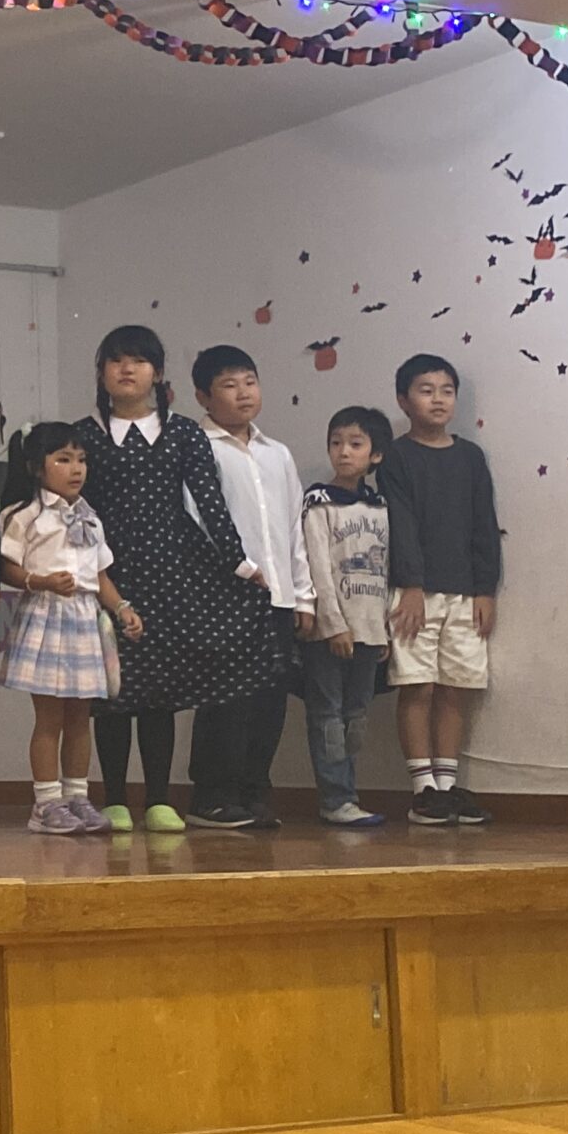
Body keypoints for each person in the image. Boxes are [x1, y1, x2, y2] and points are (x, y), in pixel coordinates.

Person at [76, 325, 278, 833]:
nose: (127, 369)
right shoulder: (84, 435)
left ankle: (160, 800)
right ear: (101, 372)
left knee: (159, 693)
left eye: (139, 361)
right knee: (112, 693)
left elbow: (210, 503)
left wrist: (240, 564)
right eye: (116, 360)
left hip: (172, 574)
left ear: (158, 373)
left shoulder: (185, 433)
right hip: (105, 575)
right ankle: (115, 799)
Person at [0, 422, 143, 834]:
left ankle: (78, 796)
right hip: (46, 615)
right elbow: (5, 567)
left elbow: (100, 576)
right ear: (36, 467)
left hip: (84, 620)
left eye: (81, 460)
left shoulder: (89, 516)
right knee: (49, 718)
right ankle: (46, 803)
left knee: (80, 716)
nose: (76, 468)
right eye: (63, 459)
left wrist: (122, 608)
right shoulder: (24, 515)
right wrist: (40, 581)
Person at [185, 345, 310, 829]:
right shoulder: (197, 447)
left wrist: (303, 595)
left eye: (250, 382)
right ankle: (212, 795)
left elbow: (294, 528)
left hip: (276, 596)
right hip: (223, 598)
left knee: (269, 701)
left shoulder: (277, 453)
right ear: (203, 396)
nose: (243, 393)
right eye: (229, 385)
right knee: (224, 699)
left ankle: (255, 790)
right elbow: (195, 525)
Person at [384, 355, 501, 827]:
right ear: (403, 400)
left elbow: (484, 524)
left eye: (447, 390)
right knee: (418, 685)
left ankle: (448, 787)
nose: (438, 399)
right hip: (414, 593)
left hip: (464, 591)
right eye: (426, 390)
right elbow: (400, 524)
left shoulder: (470, 457)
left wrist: (485, 589)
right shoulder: (396, 457)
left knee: (456, 685)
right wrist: (411, 584)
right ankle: (423, 790)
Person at [301, 406, 393, 828]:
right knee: (328, 715)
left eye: (355, 444)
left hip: (370, 630)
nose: (343, 452)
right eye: (336, 443)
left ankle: (350, 794)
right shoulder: (319, 503)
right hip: (331, 632)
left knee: (357, 715)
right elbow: (318, 567)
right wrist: (333, 624)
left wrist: (383, 629)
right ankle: (335, 798)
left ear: (376, 455)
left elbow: (385, 569)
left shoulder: (379, 506)